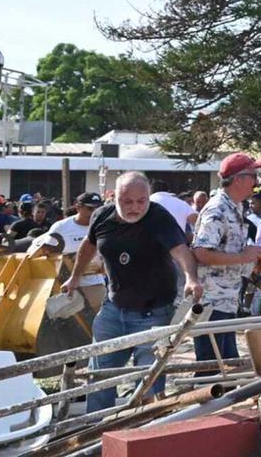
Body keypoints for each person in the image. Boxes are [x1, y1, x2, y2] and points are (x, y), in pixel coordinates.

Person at [62, 172, 202, 412]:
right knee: (101, 376)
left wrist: (191, 277)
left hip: (154, 313)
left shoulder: (159, 217)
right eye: (128, 201)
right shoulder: (102, 216)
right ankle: (97, 432)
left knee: (149, 381)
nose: (135, 207)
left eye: (141, 201)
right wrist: (75, 276)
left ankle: (143, 431)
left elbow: (180, 249)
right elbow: (89, 244)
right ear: (114, 197)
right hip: (113, 310)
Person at [191, 153, 261, 365]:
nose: (256, 181)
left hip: (226, 299)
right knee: (212, 367)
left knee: (227, 363)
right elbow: (202, 252)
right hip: (211, 301)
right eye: (253, 175)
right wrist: (243, 257)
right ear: (238, 179)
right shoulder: (217, 209)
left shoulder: (235, 207)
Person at [45, 192, 107, 310]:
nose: (94, 212)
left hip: (93, 282)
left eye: (98, 208)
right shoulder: (61, 227)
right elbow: (48, 254)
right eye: (90, 208)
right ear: (78, 207)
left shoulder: (104, 226)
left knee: (101, 317)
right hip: (64, 284)